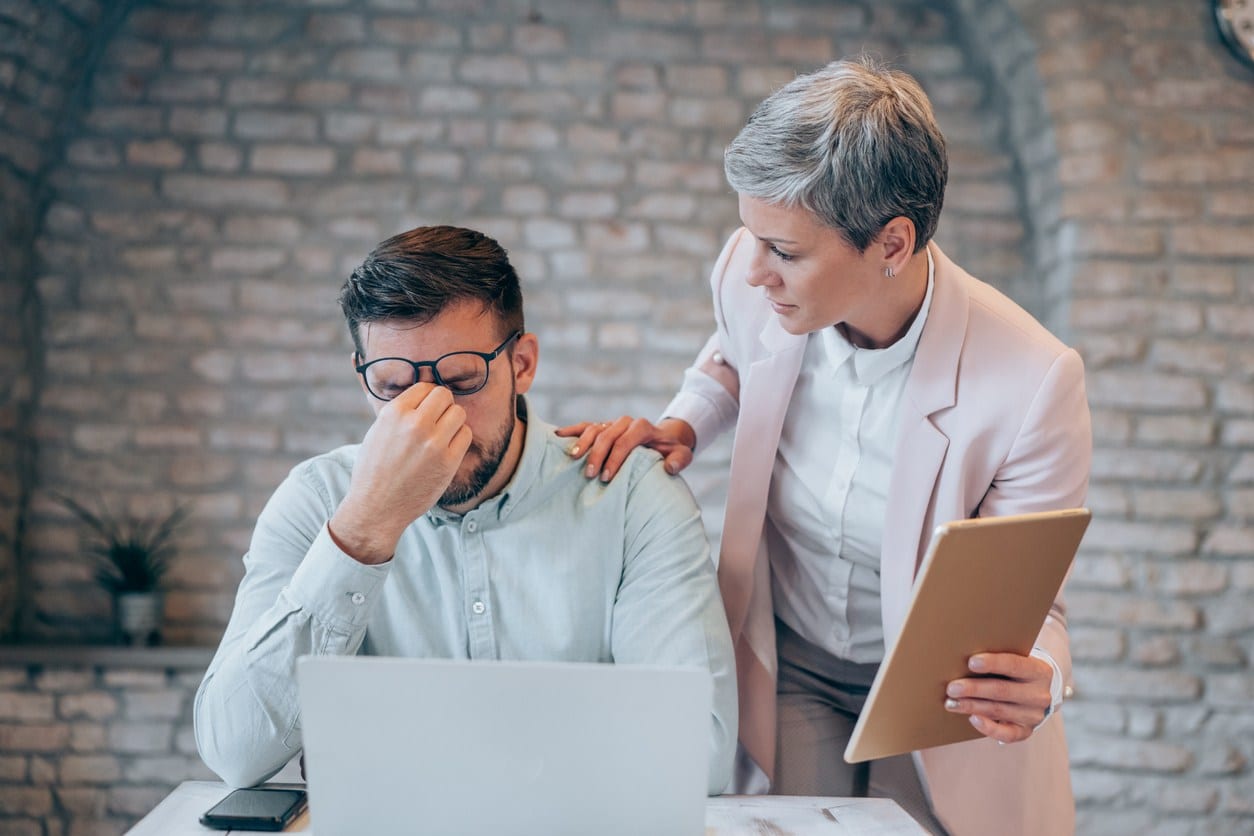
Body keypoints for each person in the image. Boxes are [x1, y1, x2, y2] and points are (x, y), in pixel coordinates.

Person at [559, 57, 1091, 836]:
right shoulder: (751, 274)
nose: (753, 270)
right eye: (751, 237)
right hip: (793, 659)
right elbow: (729, 357)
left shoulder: (1033, 379)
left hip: (935, 690)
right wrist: (684, 424)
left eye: (785, 252)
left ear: (892, 243)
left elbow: (1032, 595)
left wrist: (1044, 677)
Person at [194, 225, 737, 795]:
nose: (433, 418)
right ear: (363, 378)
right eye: (392, 384)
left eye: (461, 379)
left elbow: (698, 755)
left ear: (522, 365)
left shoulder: (632, 496)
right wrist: (363, 531)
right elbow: (235, 751)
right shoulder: (316, 502)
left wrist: (388, 750)